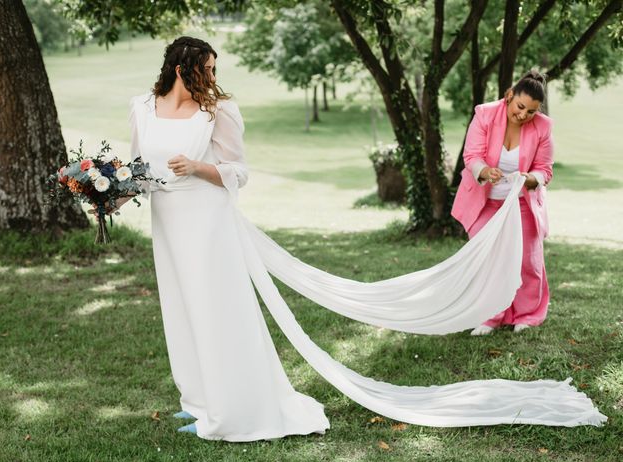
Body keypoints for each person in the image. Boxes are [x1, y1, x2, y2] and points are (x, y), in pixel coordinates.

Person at [115, 39, 604, 441]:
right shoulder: (143, 107)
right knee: (180, 310)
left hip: (208, 223)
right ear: (180, 69)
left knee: (214, 311)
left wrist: (198, 168)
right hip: (168, 224)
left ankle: (231, 407)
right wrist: (106, 190)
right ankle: (197, 401)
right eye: (205, 69)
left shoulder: (214, 112)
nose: (212, 78)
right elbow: (138, 168)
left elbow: (238, 172)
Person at [451, 70, 554, 336]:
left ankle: (527, 314)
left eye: (531, 111)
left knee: (527, 261)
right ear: (509, 96)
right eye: (520, 107)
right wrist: (485, 171)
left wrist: (530, 179)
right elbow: (471, 155)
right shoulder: (485, 114)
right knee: (488, 260)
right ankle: (490, 315)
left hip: (521, 203)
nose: (523, 115)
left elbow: (545, 169)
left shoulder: (543, 127)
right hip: (485, 203)